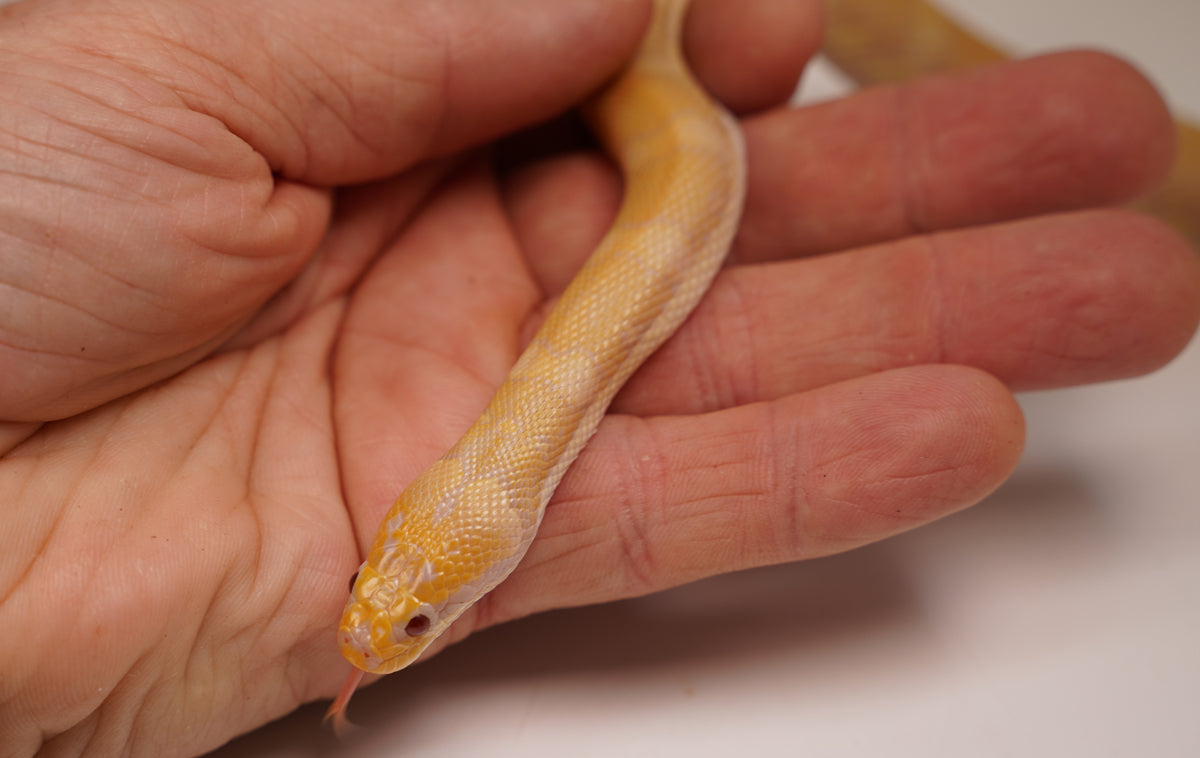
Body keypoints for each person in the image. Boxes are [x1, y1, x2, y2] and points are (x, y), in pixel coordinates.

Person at [1, 0, 1196, 755]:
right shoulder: (479, 503)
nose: (383, 620)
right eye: (398, 597)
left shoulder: (485, 503)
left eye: (411, 609)